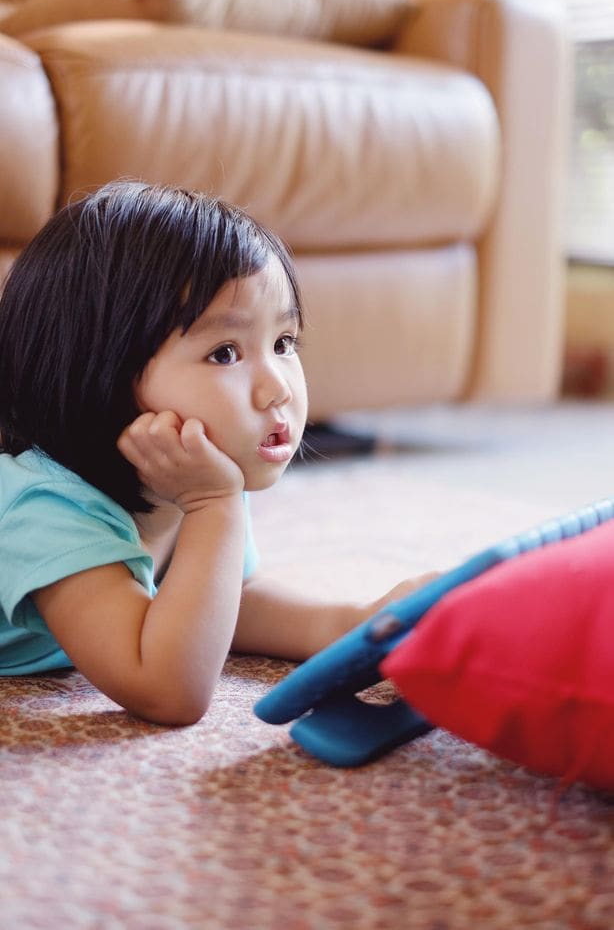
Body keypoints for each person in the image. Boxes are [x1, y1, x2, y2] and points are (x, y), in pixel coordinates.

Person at [0, 180, 422, 726]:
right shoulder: (45, 509)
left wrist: (355, 626)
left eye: (283, 344)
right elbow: (166, 688)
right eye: (225, 353)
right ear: (97, 376)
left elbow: (224, 599)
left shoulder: (195, 472)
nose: (279, 389)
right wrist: (212, 505)